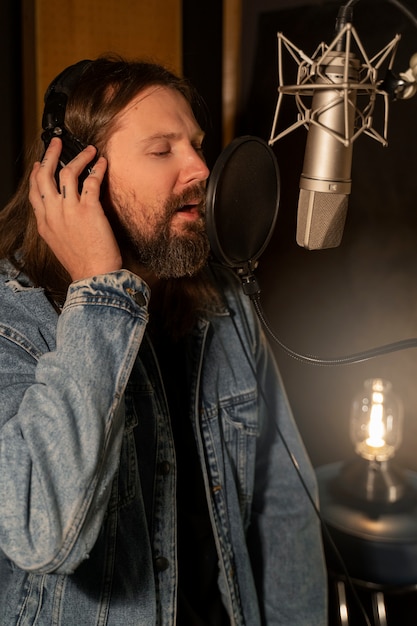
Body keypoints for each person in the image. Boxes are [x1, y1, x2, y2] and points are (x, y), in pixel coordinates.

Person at [0, 55, 327, 625]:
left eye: (196, 144)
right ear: (72, 176)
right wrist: (101, 292)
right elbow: (42, 535)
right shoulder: (12, 324)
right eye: (162, 150)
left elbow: (284, 507)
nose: (201, 168)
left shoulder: (223, 306)